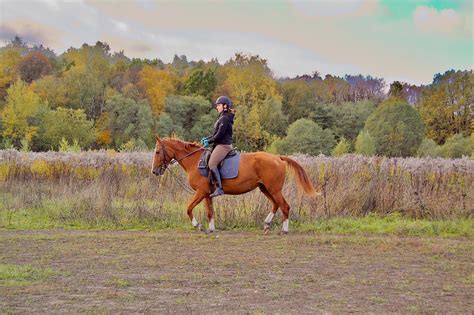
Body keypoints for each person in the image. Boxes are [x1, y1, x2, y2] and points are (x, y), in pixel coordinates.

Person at [200, 96, 234, 197]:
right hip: (219, 144)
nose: (217, 107)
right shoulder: (222, 117)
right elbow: (216, 133)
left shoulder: (225, 118)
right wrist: (207, 138)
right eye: (217, 105)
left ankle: (219, 188)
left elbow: (219, 136)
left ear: (225, 106)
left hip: (224, 146)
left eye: (218, 105)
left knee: (212, 163)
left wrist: (209, 141)